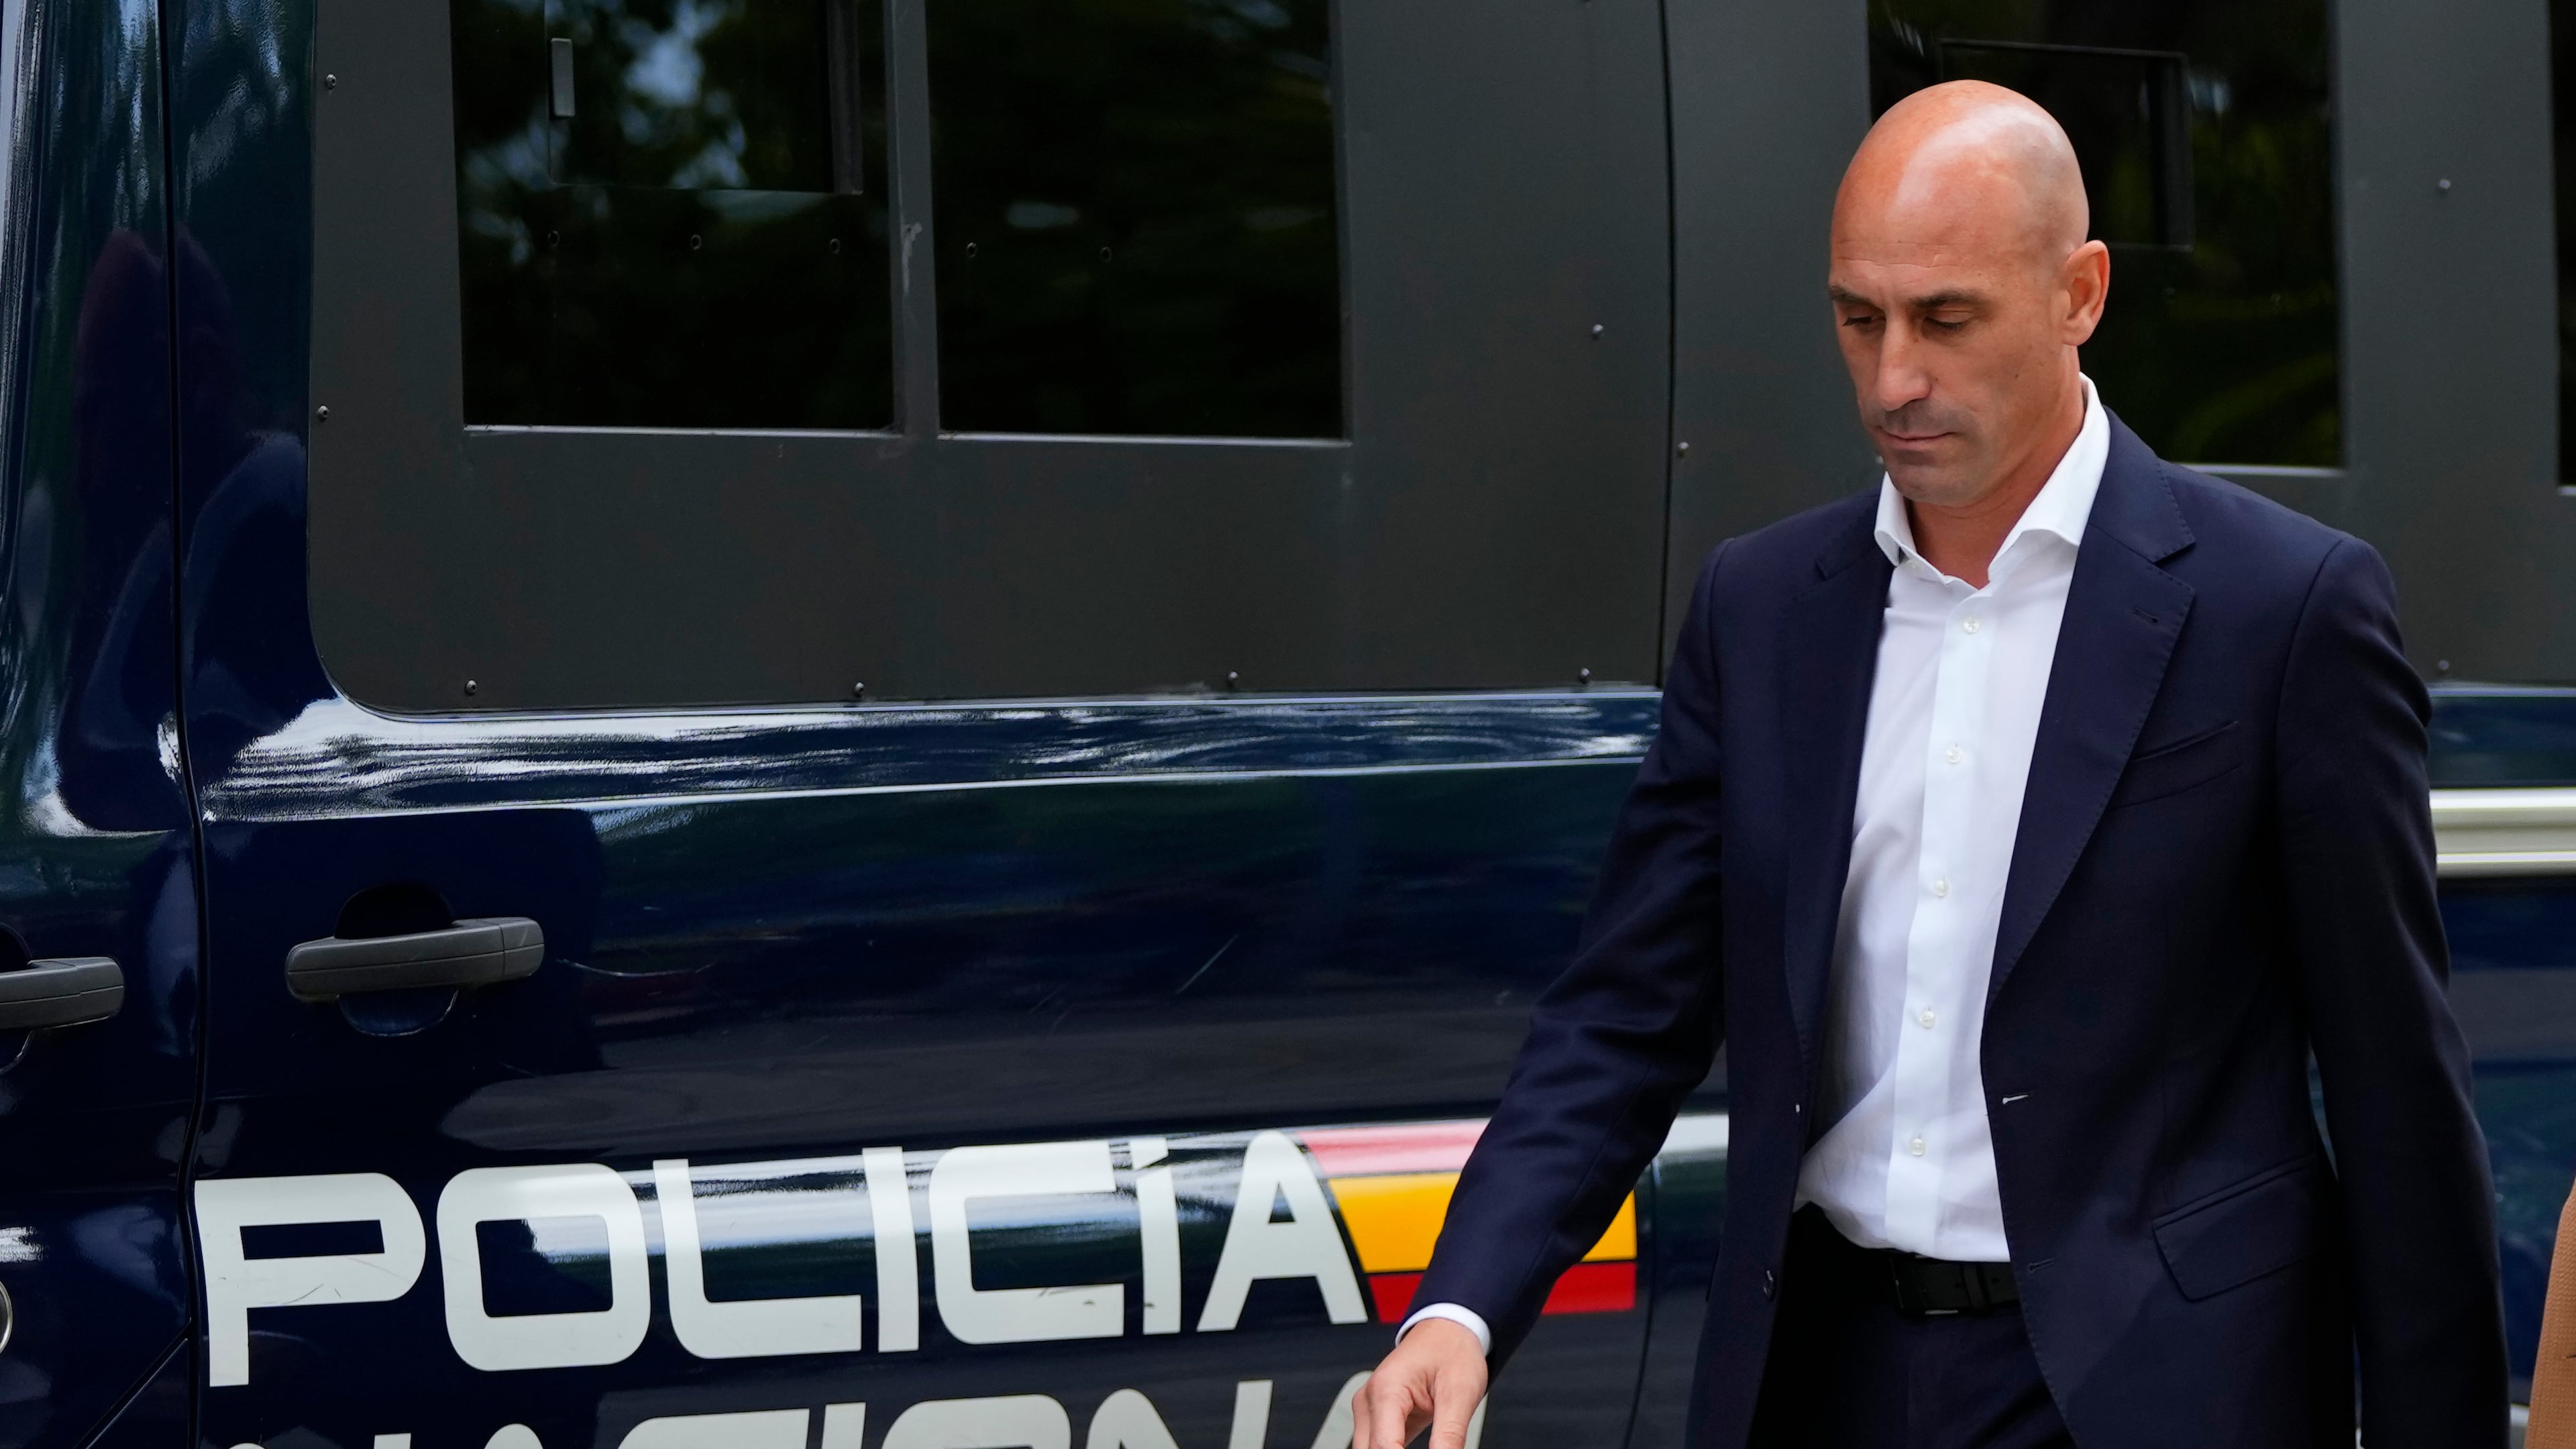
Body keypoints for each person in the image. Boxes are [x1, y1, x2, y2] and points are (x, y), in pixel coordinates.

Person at [1354, 80, 2506, 1449]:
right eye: (1860, 319)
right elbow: (1625, 1013)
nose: (1894, 378)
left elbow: (2394, 1086)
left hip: (2155, 1389)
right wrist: (1459, 1310)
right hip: (1820, 1374)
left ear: (2080, 293)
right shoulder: (1762, 610)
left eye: (1947, 320)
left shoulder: (2284, 608)